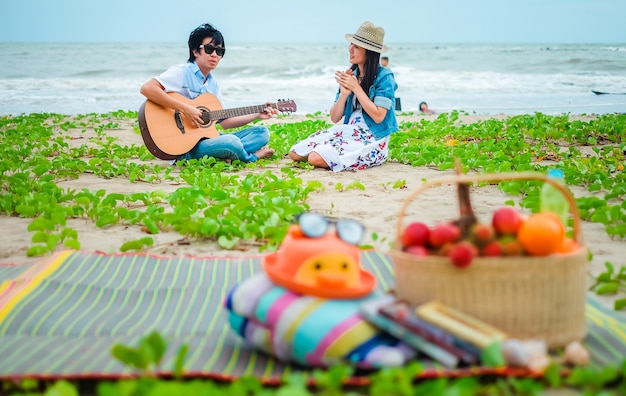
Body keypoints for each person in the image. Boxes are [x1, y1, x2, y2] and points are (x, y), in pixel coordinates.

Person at [140, 23, 277, 163]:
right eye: (209, 49)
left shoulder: (213, 84)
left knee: (262, 133)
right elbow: (148, 88)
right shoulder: (182, 72)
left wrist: (256, 115)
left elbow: (224, 122)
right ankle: (250, 157)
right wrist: (185, 108)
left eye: (219, 51)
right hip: (186, 147)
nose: (214, 55)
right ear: (195, 51)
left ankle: (223, 155)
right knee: (231, 142)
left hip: (207, 140)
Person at [288, 21, 398, 172]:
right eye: (351, 45)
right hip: (348, 131)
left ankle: (332, 155)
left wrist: (356, 88)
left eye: (357, 47)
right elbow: (334, 118)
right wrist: (344, 94)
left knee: (314, 158)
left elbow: (379, 116)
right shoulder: (352, 75)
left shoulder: (384, 76)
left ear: (369, 52)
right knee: (294, 153)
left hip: (372, 137)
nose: (350, 50)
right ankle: (329, 154)